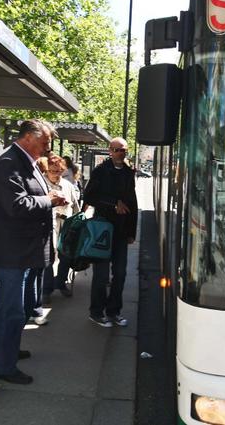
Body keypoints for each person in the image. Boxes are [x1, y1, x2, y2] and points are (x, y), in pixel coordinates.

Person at [0, 119, 66, 384]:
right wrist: (50, 200)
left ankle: (8, 351)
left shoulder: (25, 161)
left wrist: (51, 198)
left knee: (18, 309)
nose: (47, 147)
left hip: (24, 250)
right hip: (12, 253)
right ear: (28, 138)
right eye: (44, 142)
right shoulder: (8, 163)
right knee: (12, 311)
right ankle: (4, 366)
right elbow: (16, 205)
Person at [83, 137, 138, 327]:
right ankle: (96, 312)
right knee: (101, 275)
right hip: (102, 229)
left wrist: (132, 231)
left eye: (124, 150)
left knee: (121, 273)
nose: (121, 154)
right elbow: (89, 196)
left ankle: (114, 311)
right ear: (110, 151)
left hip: (121, 231)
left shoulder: (129, 173)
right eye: (117, 150)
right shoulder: (100, 171)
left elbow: (133, 203)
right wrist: (113, 204)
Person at [42, 153, 81, 303]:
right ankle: (46, 289)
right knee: (48, 258)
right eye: (51, 171)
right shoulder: (42, 184)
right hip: (47, 226)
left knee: (66, 256)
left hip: (65, 227)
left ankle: (61, 283)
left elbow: (76, 208)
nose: (55, 174)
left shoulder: (68, 186)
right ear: (46, 170)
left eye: (58, 171)